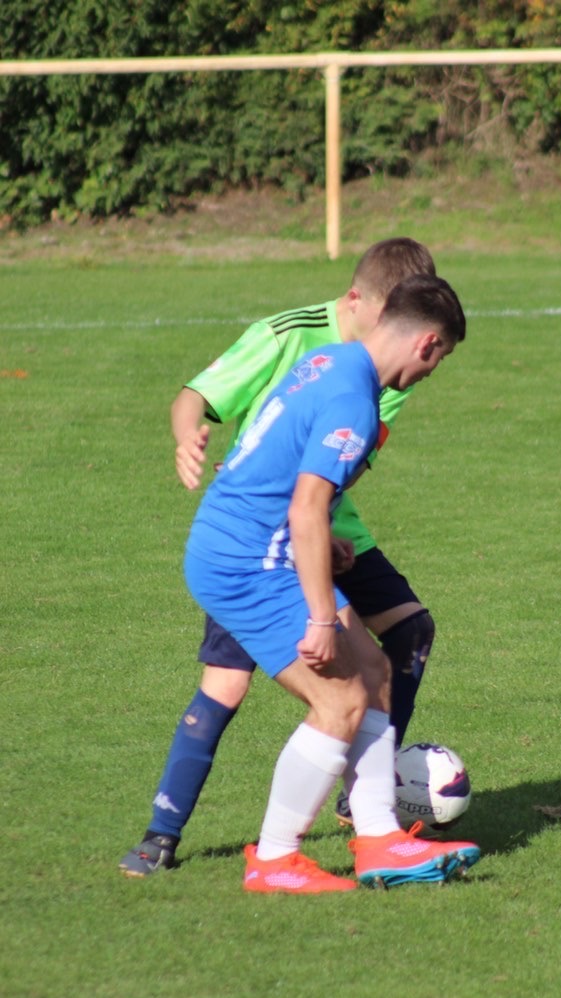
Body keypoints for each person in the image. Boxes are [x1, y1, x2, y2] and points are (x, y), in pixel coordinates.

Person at [120, 239, 440, 877]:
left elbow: (332, 477)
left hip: (310, 530)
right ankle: (188, 838)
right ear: (368, 305)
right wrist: (190, 438)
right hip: (260, 544)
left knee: (388, 655)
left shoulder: (366, 369)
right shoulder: (301, 342)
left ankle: (375, 828)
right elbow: (202, 401)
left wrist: (324, 539)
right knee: (266, 688)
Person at [183, 273, 479, 892]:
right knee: (339, 701)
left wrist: (326, 544)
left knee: (373, 673)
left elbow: (283, 472)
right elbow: (307, 506)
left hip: (249, 540)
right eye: (441, 358)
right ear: (426, 343)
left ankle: (379, 840)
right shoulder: (355, 402)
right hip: (246, 560)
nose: (432, 371)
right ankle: (274, 859)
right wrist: (321, 617)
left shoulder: (331, 360)